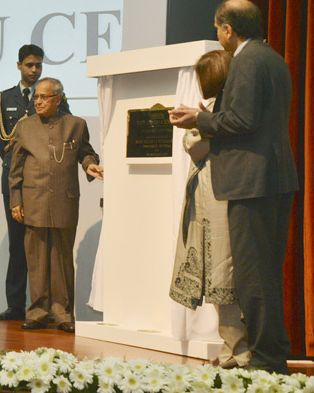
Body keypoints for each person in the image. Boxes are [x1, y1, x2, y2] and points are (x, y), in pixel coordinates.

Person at [170, 0, 298, 374]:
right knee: (265, 274)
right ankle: (269, 356)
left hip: (251, 182)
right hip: (272, 177)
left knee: (253, 276)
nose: (217, 35)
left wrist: (200, 118)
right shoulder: (273, 58)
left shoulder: (245, 60)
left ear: (229, 29)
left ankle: (266, 361)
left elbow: (241, 120)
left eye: (217, 28)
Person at [169, 49, 251, 369]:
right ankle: (233, 349)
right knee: (220, 279)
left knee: (223, 278)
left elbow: (195, 145)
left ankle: (239, 351)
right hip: (213, 198)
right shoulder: (224, 110)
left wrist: (200, 118)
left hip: (218, 199)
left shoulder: (221, 111)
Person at [8, 77, 103, 333]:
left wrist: (89, 165)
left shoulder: (76, 125)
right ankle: (38, 312)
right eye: (35, 97)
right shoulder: (25, 127)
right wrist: (15, 200)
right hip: (33, 200)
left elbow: (86, 152)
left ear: (58, 99)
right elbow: (14, 170)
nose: (37, 101)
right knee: (37, 261)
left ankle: (63, 313)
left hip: (64, 200)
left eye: (43, 97)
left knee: (61, 259)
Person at [0, 44, 70, 321]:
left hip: (47, 180)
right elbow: (3, 142)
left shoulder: (57, 98)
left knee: (48, 245)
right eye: (29, 65)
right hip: (16, 178)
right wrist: (31, 128)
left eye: (38, 65)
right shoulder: (4, 99)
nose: (34, 70)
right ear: (19, 66)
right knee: (18, 243)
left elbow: (63, 134)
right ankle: (16, 304)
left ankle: (47, 306)